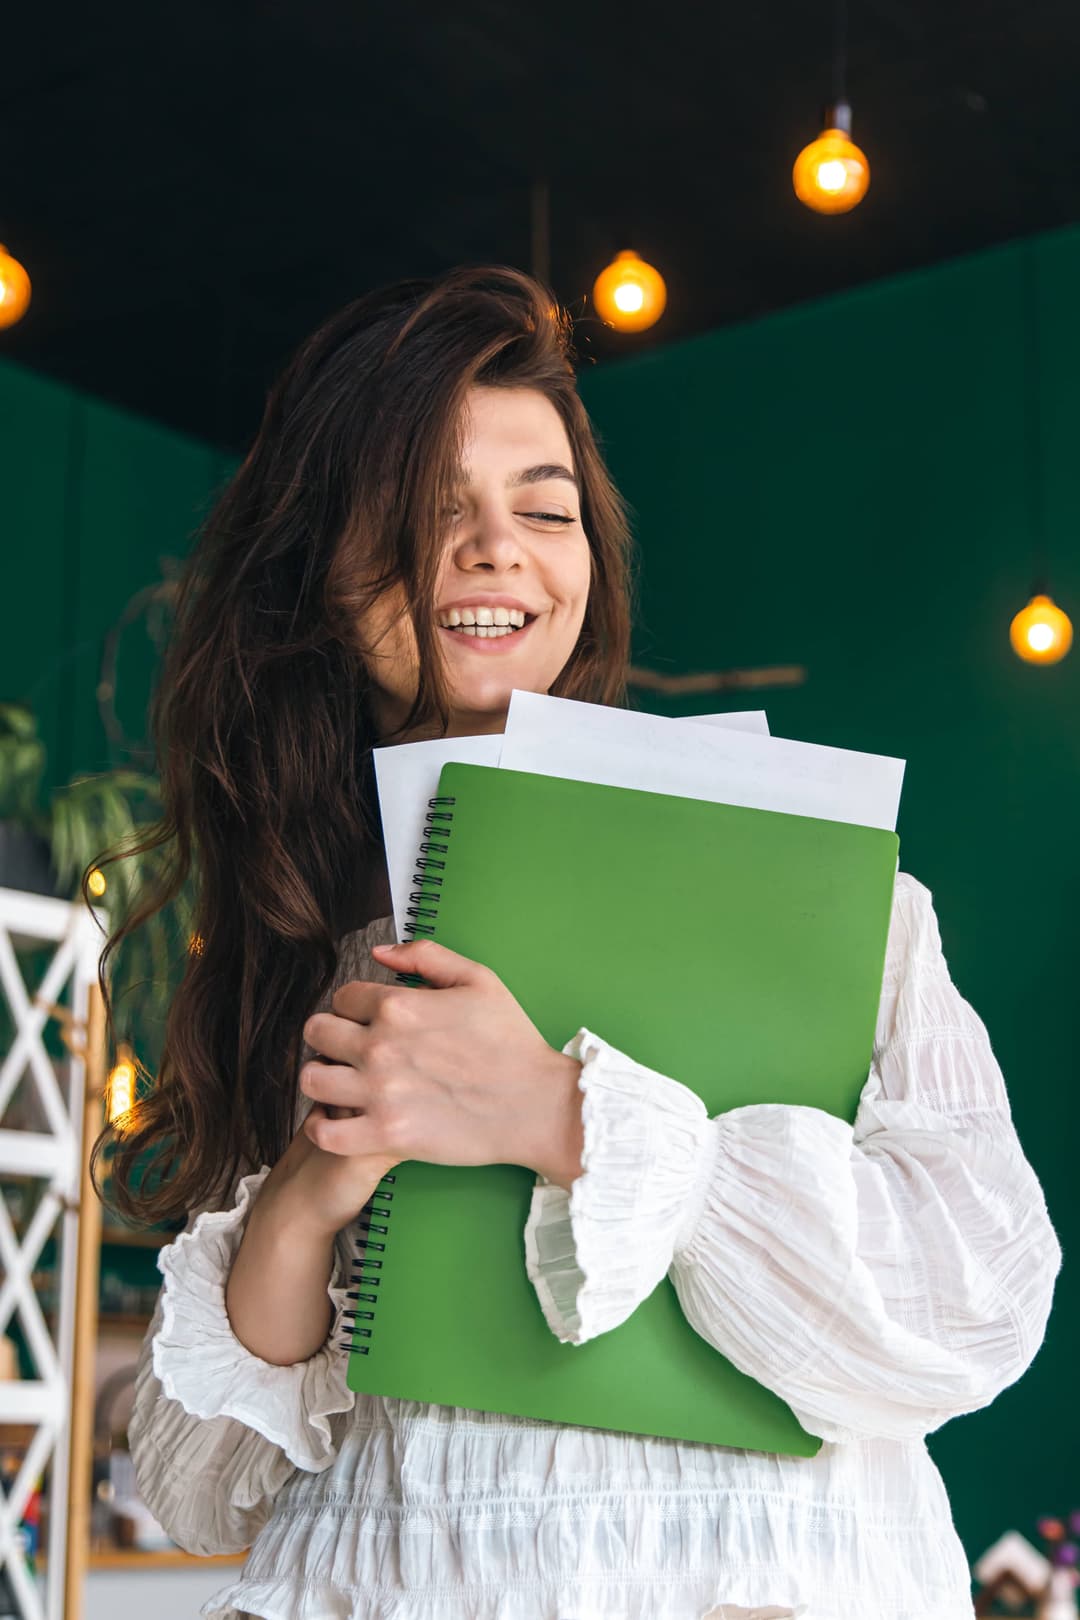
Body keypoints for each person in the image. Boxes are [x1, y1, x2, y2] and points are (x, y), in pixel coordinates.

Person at [97, 266, 1061, 1620]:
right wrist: (312, 1194)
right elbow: (205, 1488)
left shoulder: (808, 880)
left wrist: (566, 1116)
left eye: (542, 511)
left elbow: (978, 1299)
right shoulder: (302, 931)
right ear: (322, 572)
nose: (498, 549)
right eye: (430, 514)